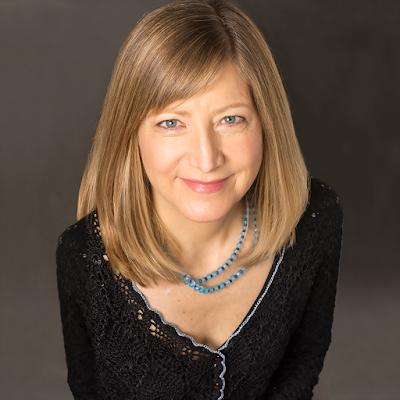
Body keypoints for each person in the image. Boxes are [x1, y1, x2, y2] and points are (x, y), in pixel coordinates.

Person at [56, 0, 343, 399]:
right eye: (171, 123)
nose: (206, 159)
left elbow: (301, 367)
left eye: (230, 119)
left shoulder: (315, 219)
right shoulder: (84, 257)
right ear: (130, 134)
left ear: (266, 122)